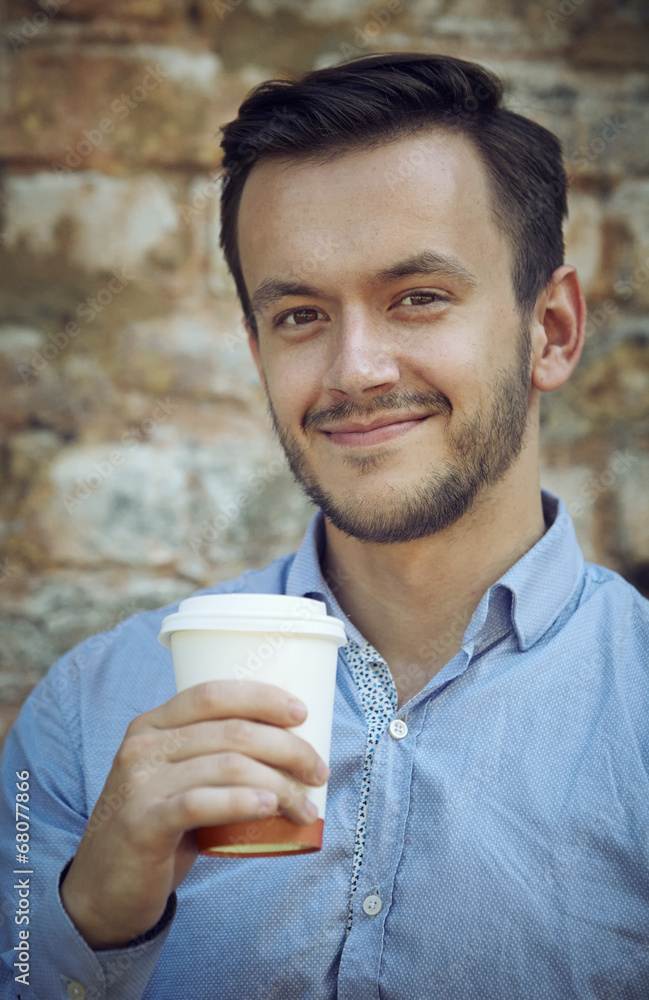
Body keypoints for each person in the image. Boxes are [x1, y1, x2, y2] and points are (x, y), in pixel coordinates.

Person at [2, 51, 648, 1000]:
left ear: (548, 329)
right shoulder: (87, 712)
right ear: (257, 348)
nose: (355, 369)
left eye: (416, 298)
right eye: (300, 314)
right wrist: (84, 920)